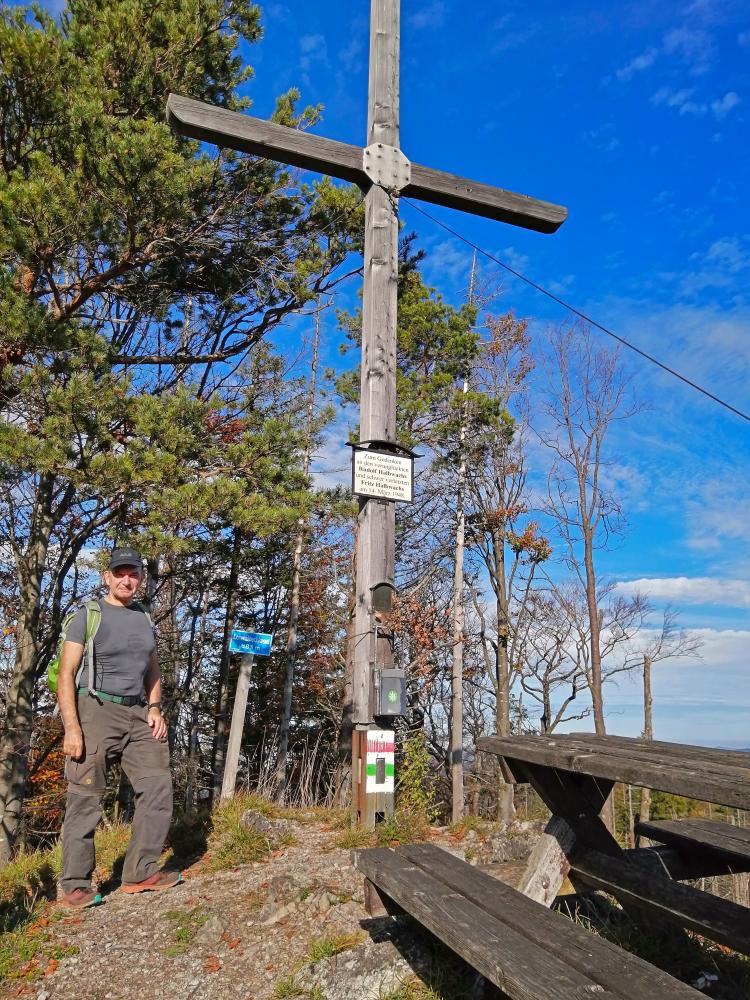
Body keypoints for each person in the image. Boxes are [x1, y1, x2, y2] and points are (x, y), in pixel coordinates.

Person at [57, 547, 180, 908]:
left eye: (134, 573)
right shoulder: (87, 616)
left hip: (139, 713)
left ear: (141, 579)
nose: (128, 579)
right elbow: (66, 674)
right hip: (95, 709)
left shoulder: (144, 617)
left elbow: (152, 668)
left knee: (157, 785)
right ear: (106, 577)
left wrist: (155, 706)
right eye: (120, 573)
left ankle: (140, 871)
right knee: (86, 796)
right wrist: (72, 728)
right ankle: (75, 885)